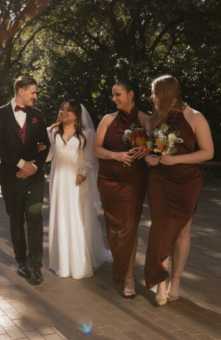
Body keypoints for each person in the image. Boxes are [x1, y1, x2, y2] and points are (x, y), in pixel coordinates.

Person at [144, 75, 213, 305]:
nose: (151, 96)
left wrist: (175, 161)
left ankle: (176, 281)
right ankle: (161, 284)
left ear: (166, 92)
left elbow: (207, 152)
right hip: (159, 181)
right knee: (161, 230)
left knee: (182, 232)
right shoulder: (152, 120)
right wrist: (149, 158)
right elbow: (146, 150)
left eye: (154, 92)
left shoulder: (195, 117)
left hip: (186, 181)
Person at [0, 76, 50, 285]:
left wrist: (32, 167)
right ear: (21, 91)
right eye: (33, 92)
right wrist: (20, 164)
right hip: (11, 177)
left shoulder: (37, 115)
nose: (35, 96)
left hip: (34, 177)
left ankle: (36, 267)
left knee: (35, 220)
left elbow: (45, 144)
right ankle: (21, 262)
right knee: (16, 220)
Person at [93, 78, 149, 298]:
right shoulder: (108, 119)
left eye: (118, 94)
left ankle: (129, 277)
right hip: (108, 178)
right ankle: (121, 264)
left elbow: (156, 147)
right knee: (114, 228)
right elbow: (96, 149)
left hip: (134, 180)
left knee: (129, 226)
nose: (114, 98)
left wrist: (146, 150)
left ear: (131, 94)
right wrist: (115, 155)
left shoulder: (146, 120)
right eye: (113, 95)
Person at [45, 100, 111, 279]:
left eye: (68, 110)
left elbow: (91, 158)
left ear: (77, 114)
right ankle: (62, 262)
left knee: (76, 216)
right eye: (62, 109)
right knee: (60, 216)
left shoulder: (87, 133)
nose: (63, 112)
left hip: (76, 180)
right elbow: (48, 156)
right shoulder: (51, 131)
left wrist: (82, 172)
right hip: (58, 180)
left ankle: (78, 263)